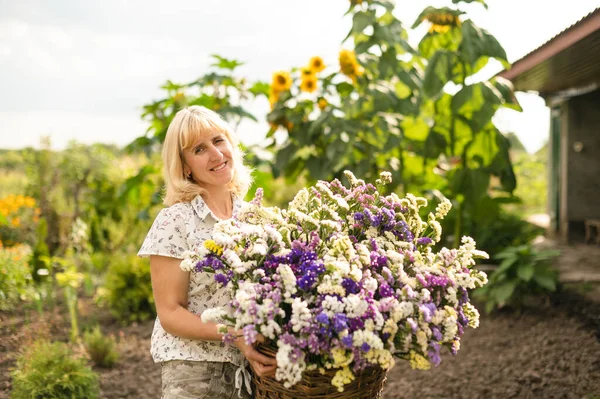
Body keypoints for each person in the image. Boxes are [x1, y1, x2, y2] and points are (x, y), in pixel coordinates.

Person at [138, 106, 276, 399]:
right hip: (194, 373)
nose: (216, 154)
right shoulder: (176, 220)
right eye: (200, 149)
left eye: (218, 140)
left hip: (252, 371)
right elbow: (170, 313)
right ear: (185, 166)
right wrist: (234, 333)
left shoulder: (253, 217)